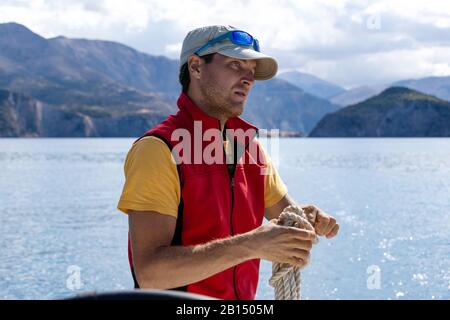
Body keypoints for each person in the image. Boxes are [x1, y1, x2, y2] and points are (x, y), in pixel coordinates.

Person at [117, 25, 339, 300]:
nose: (248, 78)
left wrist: (307, 219)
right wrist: (252, 245)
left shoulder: (250, 150)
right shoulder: (157, 150)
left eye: (251, 70)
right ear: (196, 67)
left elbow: (286, 217)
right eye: (235, 64)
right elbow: (151, 273)